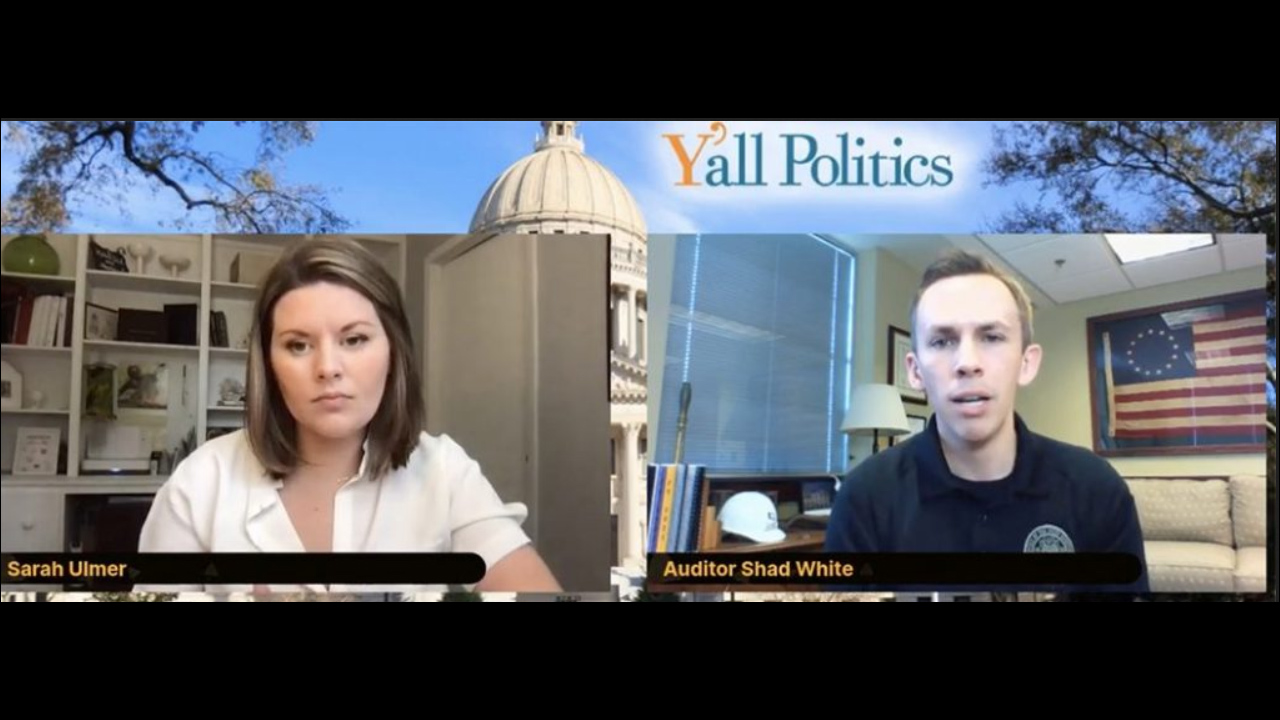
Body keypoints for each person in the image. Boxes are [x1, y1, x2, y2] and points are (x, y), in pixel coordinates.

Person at [139, 238, 561, 594]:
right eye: (298, 345)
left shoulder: (444, 471)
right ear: (268, 364)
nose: (327, 368)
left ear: (393, 351)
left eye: (354, 339)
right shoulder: (199, 483)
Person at [825, 250, 1148, 594]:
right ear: (915, 371)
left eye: (991, 337)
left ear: (1026, 363)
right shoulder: (863, 499)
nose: (967, 362)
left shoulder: (1096, 489)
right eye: (942, 341)